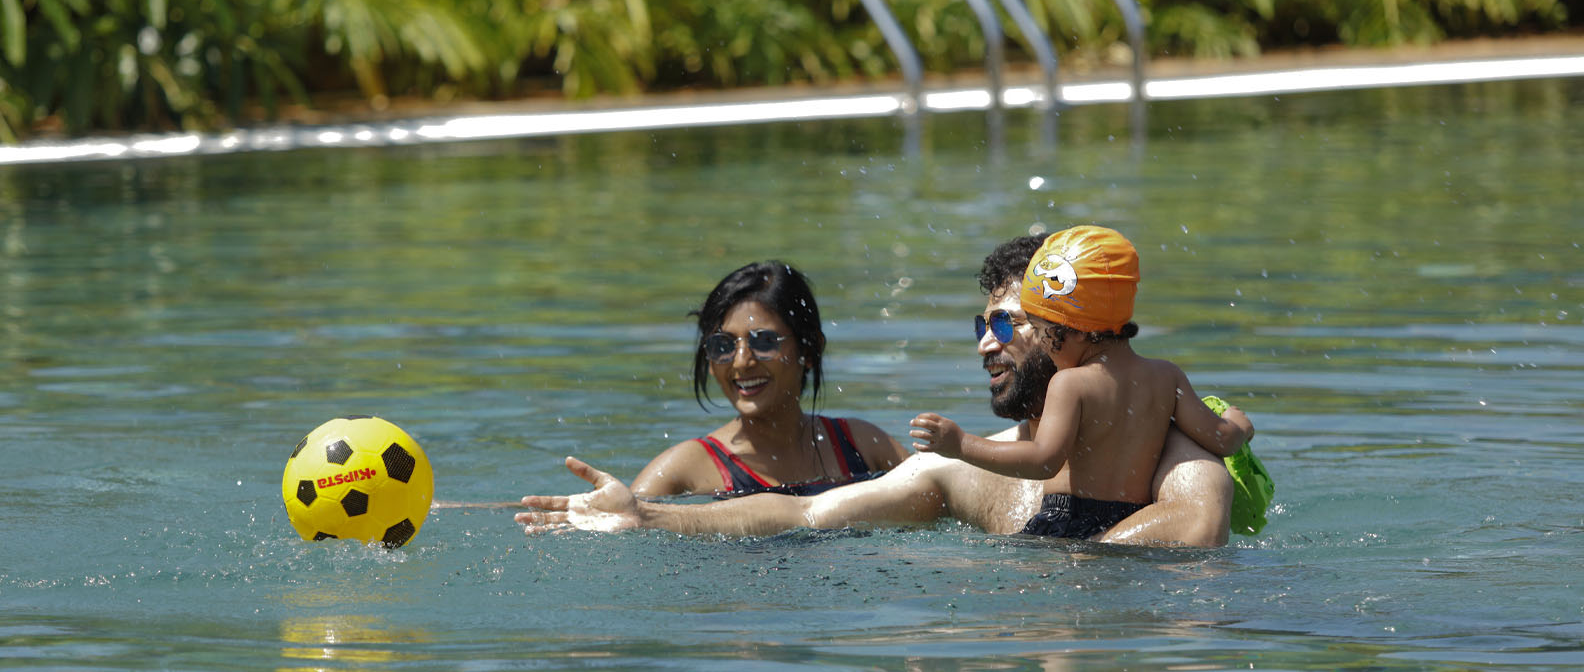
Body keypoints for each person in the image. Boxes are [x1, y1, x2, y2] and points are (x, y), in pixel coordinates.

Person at [515, 234, 1243, 546]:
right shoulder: (962, 471)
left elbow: (1196, 526)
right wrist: (647, 517)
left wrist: (1072, 574)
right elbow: (803, 514)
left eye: (1006, 323)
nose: (985, 343)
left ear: (1071, 325)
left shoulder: (1166, 447)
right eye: (981, 324)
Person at [909, 226, 1252, 540]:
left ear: (1071, 330)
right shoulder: (1167, 376)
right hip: (1130, 520)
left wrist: (961, 445)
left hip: (1063, 525)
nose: (1042, 345)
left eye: (1041, 330)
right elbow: (1222, 438)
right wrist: (1239, 425)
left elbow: (1043, 460)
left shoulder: (1069, 384)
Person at [630, 261, 907, 497]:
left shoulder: (862, 447)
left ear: (809, 350)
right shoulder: (684, 472)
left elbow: (932, 497)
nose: (742, 362)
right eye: (722, 346)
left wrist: (938, 454)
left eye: (764, 341)